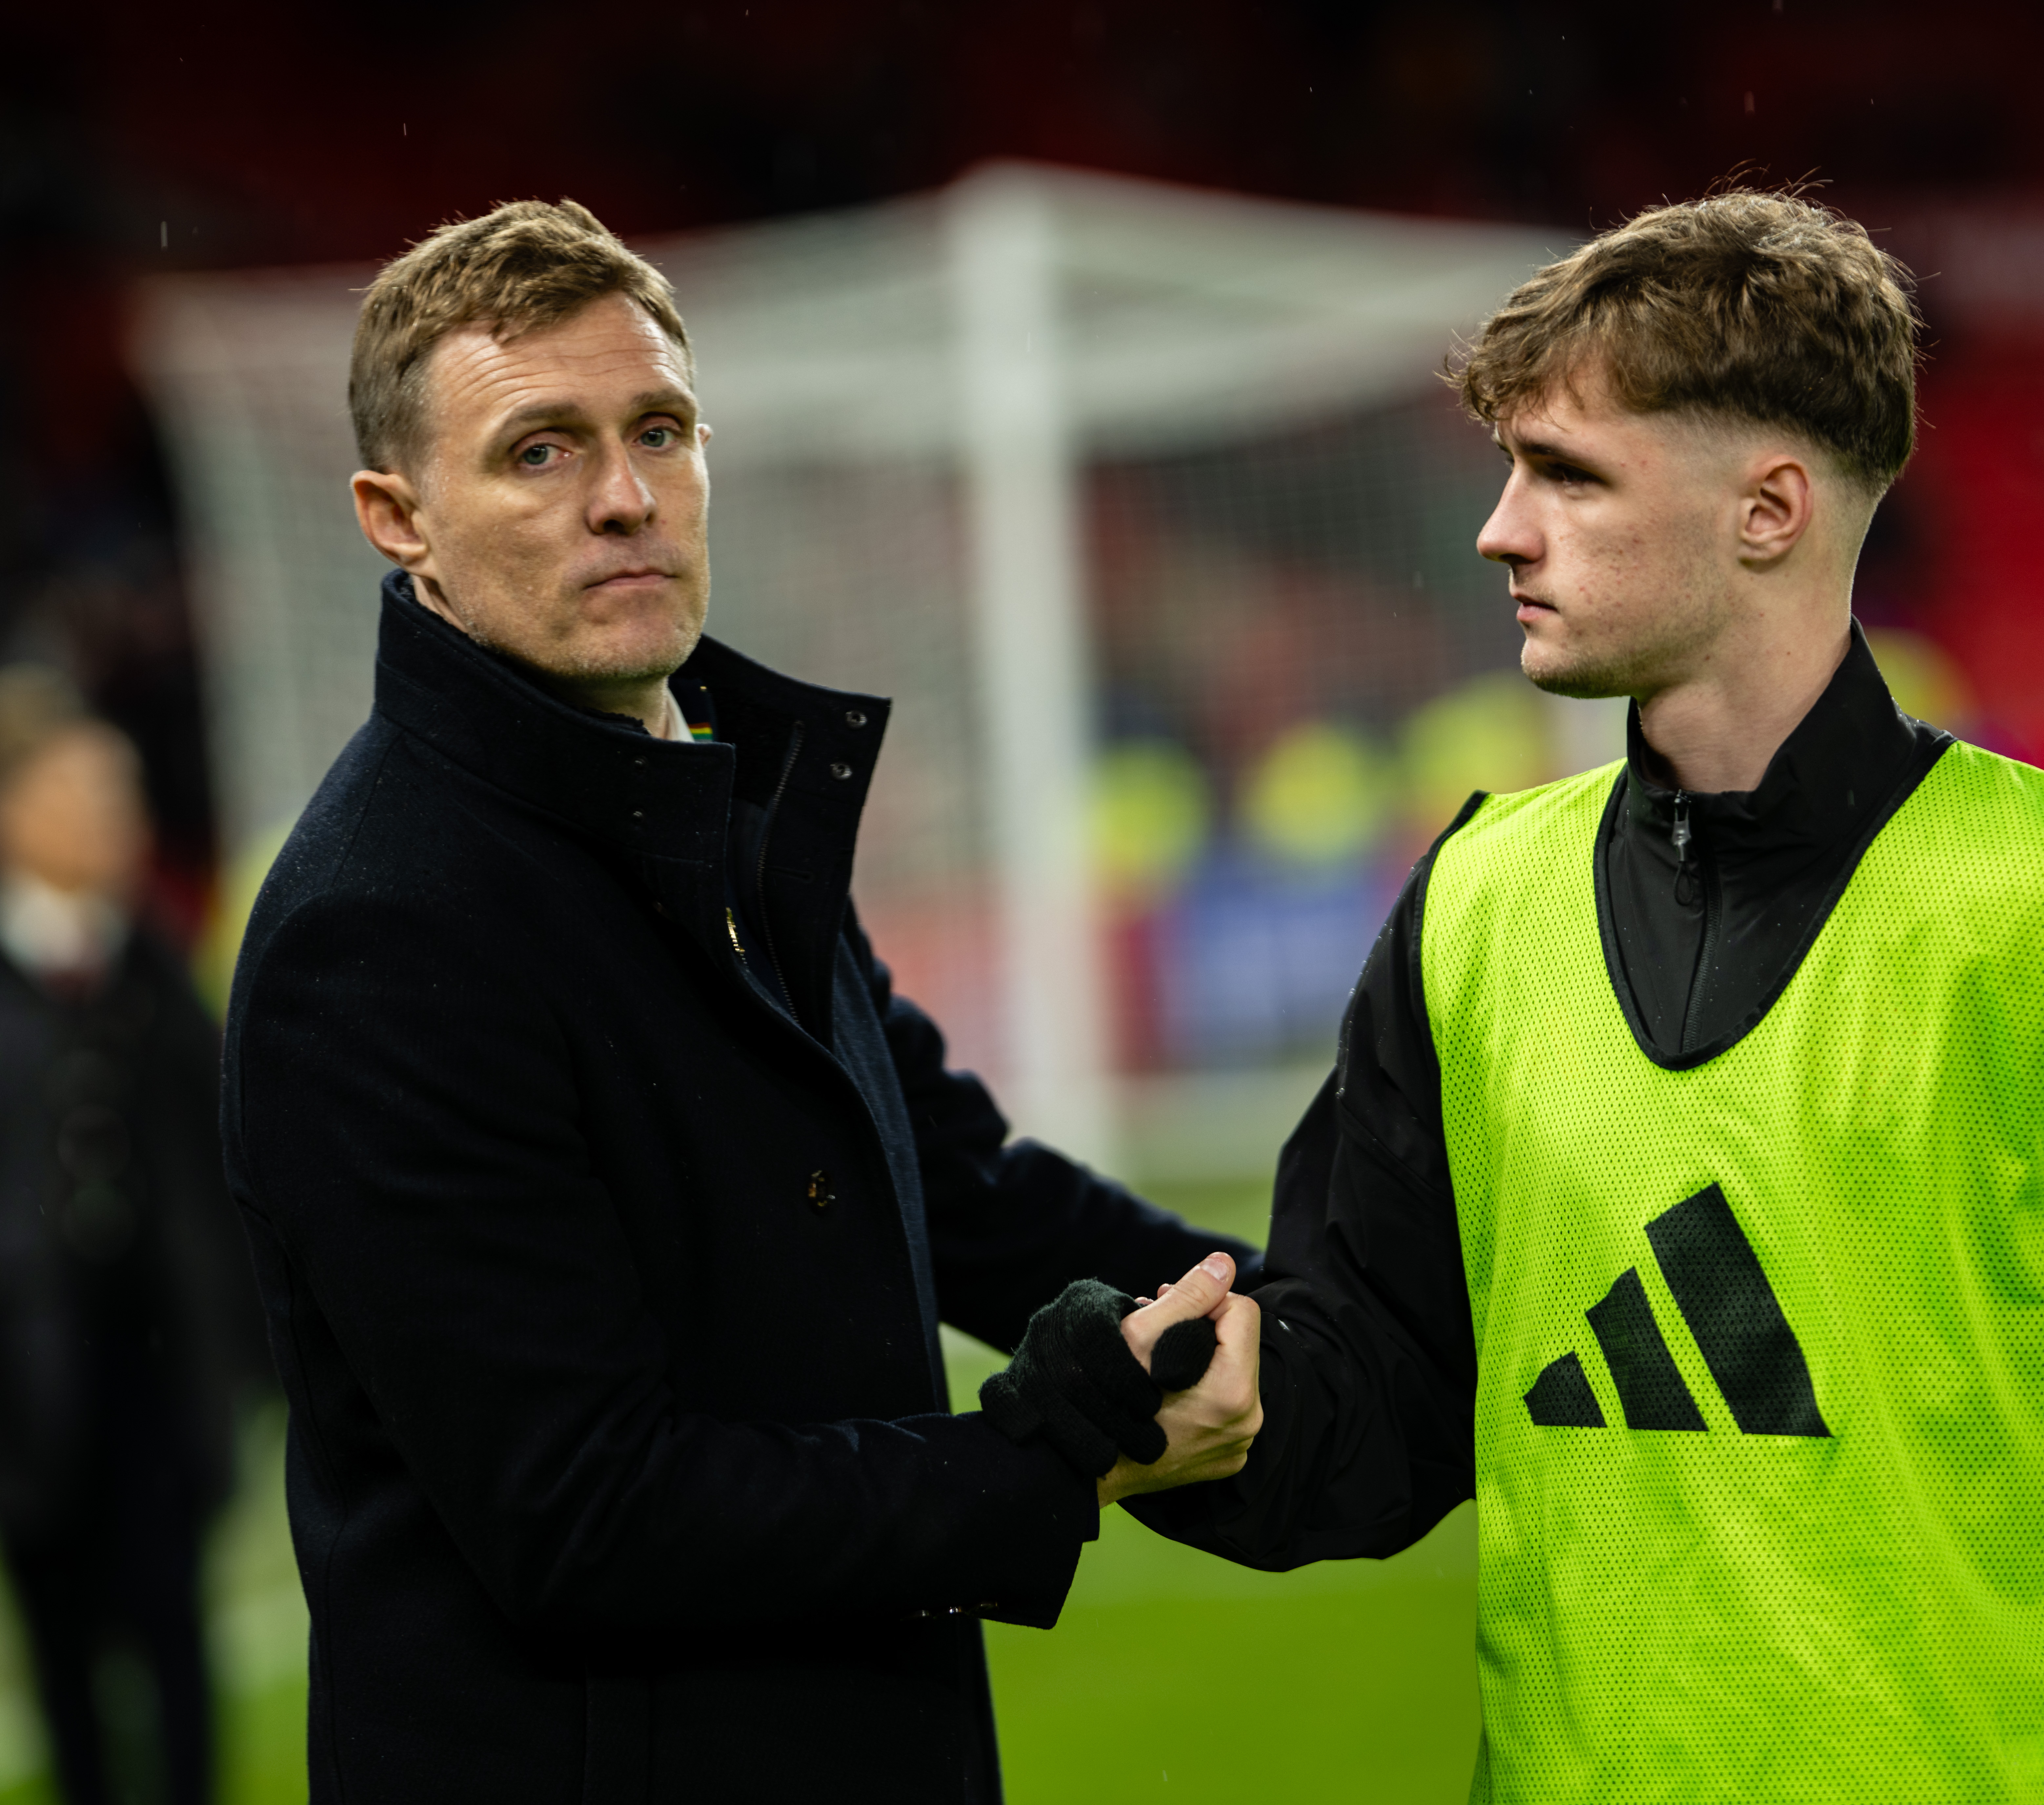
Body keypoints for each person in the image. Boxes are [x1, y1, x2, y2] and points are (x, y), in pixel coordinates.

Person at [1001, 194, 2044, 1799]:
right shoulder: (1474, 902)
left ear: (1769, 510)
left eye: (1566, 474)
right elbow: (1372, 1394)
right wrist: (1227, 1409)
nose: (1503, 527)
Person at [220, 200, 1263, 1804]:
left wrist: (1316, 1314)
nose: (627, 497)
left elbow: (956, 1179)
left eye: (660, 430)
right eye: (540, 452)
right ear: (396, 514)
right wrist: (1064, 1453)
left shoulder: (707, 804)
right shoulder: (379, 930)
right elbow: (588, 1512)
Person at [0, 668, 261, 1805]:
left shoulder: (159, 967)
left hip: (161, 1367)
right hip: (32, 1385)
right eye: (85, 793)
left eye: (125, 793)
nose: (119, 818)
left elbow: (216, 1169)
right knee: (65, 1653)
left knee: (176, 1636)